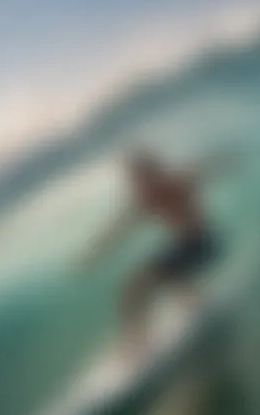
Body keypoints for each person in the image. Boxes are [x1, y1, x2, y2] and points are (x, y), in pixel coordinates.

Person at [77, 148, 224, 355]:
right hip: (184, 247)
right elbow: (120, 228)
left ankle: (140, 346)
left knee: (142, 285)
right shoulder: (147, 198)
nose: (134, 183)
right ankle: (199, 312)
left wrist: (221, 162)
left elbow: (200, 171)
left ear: (149, 173)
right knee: (144, 288)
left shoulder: (174, 183)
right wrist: (95, 252)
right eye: (133, 179)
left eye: (136, 177)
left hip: (203, 243)